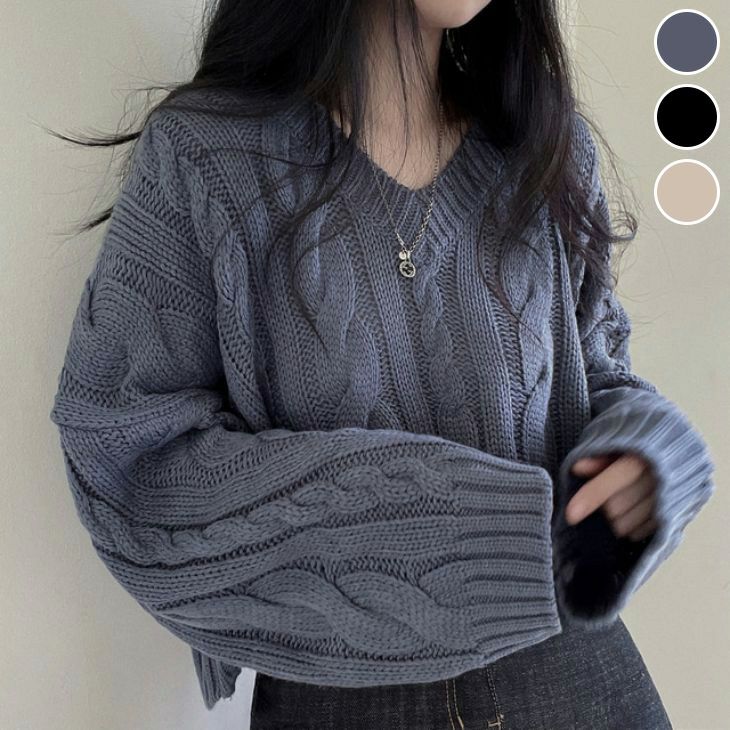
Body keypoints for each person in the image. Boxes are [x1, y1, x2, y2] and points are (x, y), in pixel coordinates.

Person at [48, 0, 715, 727]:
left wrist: (652, 457)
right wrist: (473, 542)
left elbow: (598, 372)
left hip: (577, 684)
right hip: (337, 704)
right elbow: (130, 465)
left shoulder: (542, 145)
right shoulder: (207, 159)